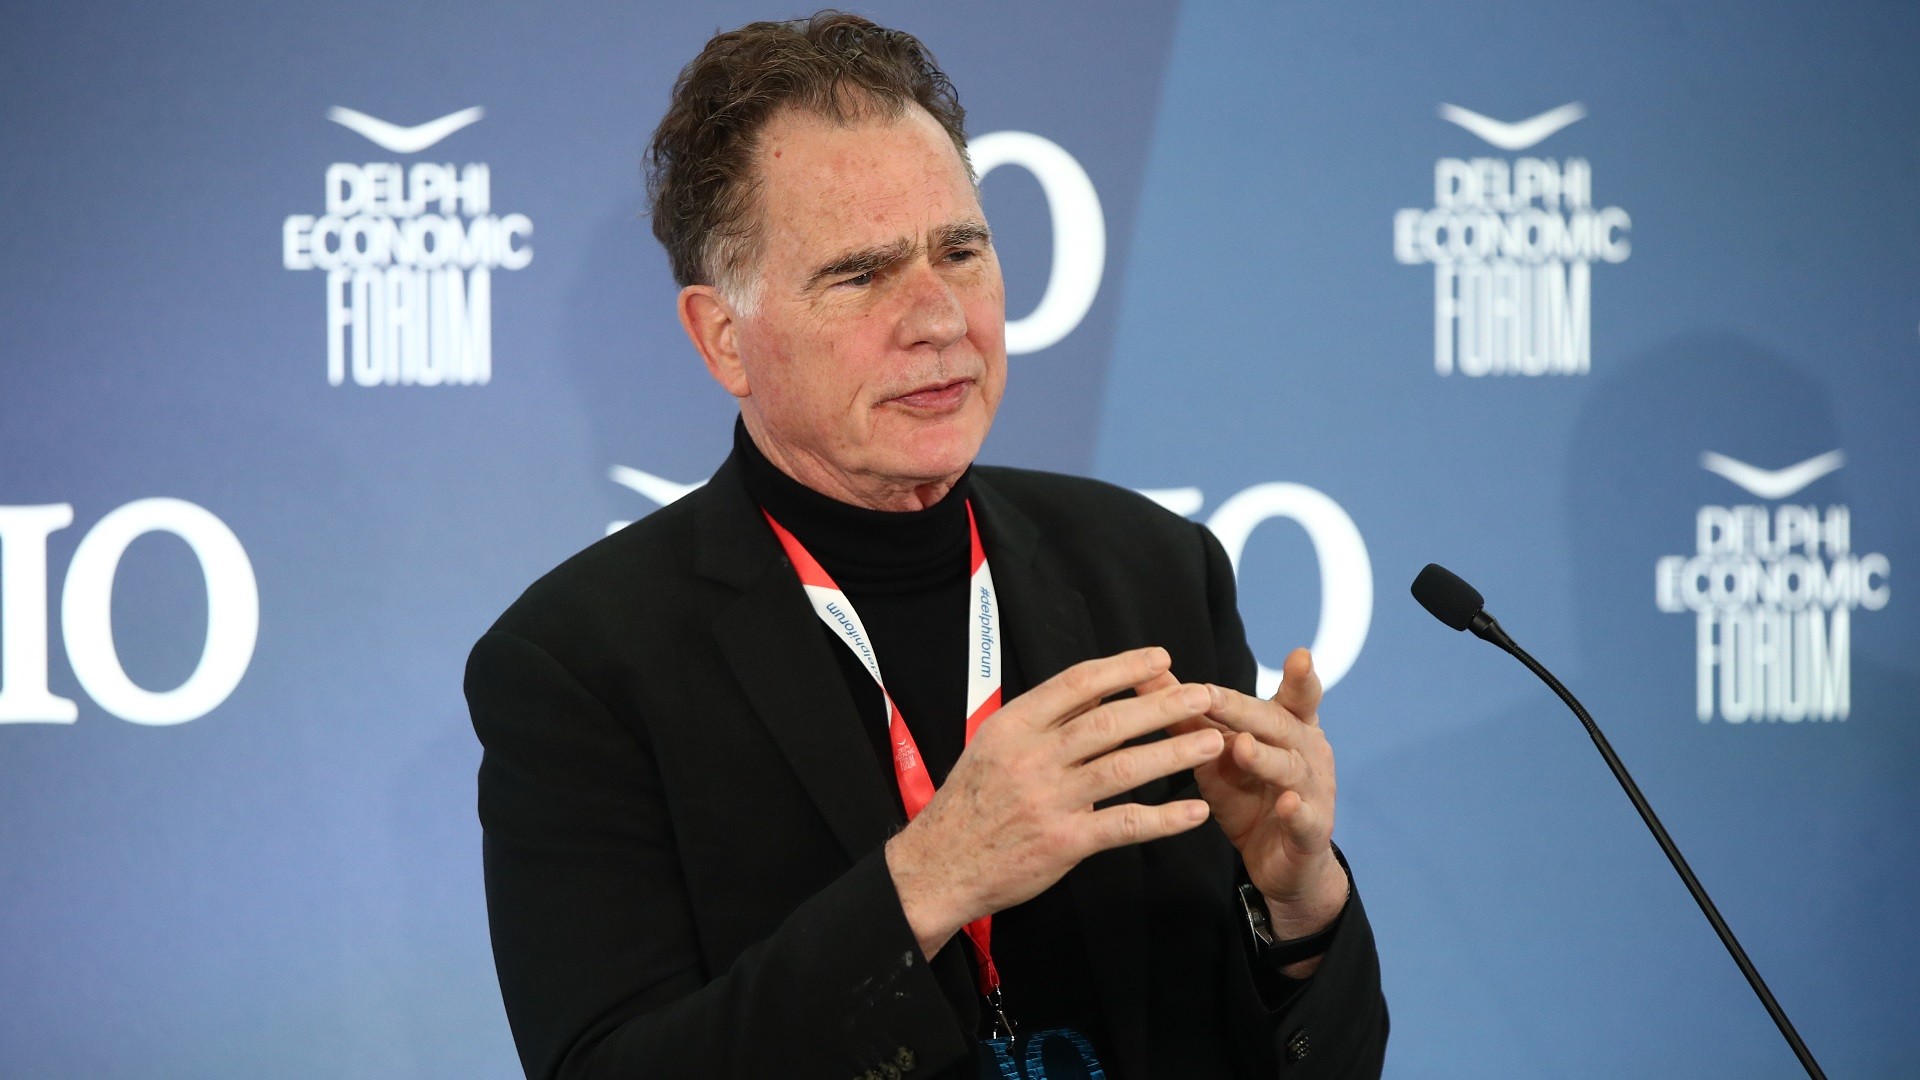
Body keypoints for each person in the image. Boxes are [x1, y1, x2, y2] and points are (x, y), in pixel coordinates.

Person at [465, 12, 1387, 1079]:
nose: (940, 317)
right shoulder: (581, 665)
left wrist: (1296, 905)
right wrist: (930, 880)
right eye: (861, 274)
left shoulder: (1152, 573)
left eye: (961, 251)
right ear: (725, 338)